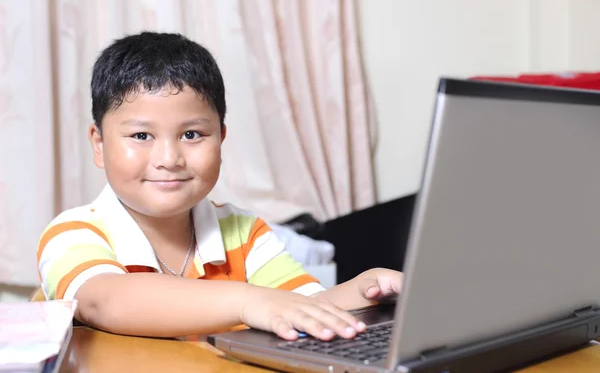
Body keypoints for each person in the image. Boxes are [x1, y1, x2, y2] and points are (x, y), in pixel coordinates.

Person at [37, 32, 403, 341]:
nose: (169, 157)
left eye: (192, 134)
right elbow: (106, 301)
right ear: (99, 145)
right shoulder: (73, 232)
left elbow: (302, 307)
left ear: (221, 139)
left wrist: (364, 290)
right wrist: (247, 300)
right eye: (141, 135)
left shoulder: (244, 232)